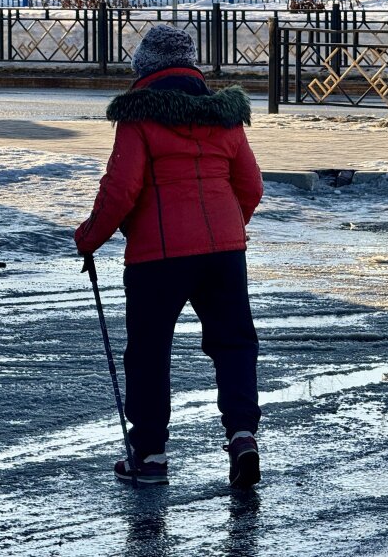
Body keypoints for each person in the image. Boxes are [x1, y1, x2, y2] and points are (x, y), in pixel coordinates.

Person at [75, 25, 264, 489]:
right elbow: (252, 187)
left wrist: (89, 238)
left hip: (157, 255)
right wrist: (225, 226)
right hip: (224, 251)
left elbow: (122, 189)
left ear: (145, 65)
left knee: (149, 352)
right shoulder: (225, 115)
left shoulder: (139, 117)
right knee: (234, 344)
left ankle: (151, 457)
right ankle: (243, 436)